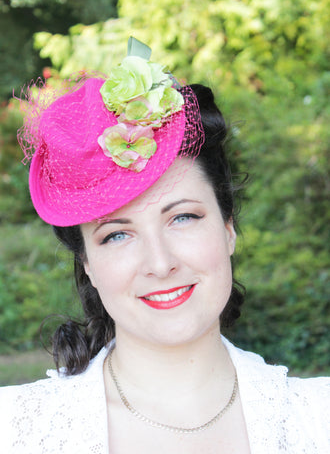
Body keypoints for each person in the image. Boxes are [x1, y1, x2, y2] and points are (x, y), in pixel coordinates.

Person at [0, 39, 329, 453]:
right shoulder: (13, 432)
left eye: (183, 218)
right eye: (117, 234)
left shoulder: (319, 421)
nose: (159, 263)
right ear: (87, 263)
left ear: (229, 228)